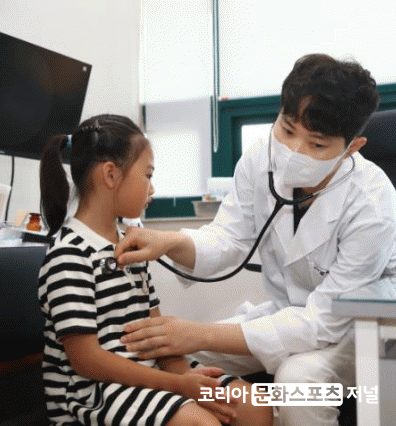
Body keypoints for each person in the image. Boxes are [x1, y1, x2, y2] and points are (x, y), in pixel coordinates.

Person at [115, 54, 396, 426]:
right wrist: (171, 242)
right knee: (173, 361)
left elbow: (323, 322)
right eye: (287, 131)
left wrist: (198, 332)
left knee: (296, 383)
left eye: (317, 145)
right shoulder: (260, 158)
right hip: (288, 313)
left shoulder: (371, 202)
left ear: (352, 147)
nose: (294, 153)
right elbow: (229, 238)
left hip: (354, 326)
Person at [38, 114, 273, 426]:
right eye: (147, 176)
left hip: (148, 375)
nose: (152, 188)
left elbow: (156, 335)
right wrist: (179, 386)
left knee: (254, 404)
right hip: (93, 392)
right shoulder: (69, 254)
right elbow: (86, 360)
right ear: (111, 175)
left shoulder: (132, 246)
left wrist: (189, 378)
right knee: (200, 423)